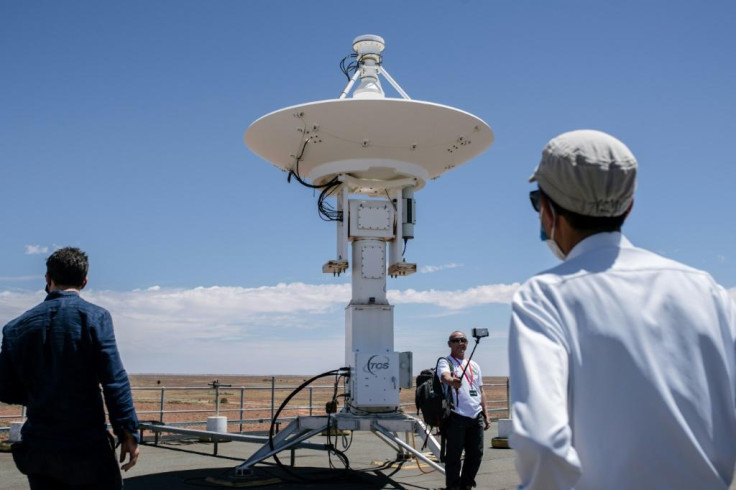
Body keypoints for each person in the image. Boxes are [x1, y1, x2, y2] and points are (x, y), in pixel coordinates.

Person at [508, 129, 736, 489]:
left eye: (538, 203)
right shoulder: (704, 289)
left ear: (548, 212)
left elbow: (542, 444)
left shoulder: (544, 297)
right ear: (629, 206)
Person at [0, 247, 140, 489]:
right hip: (87, 446)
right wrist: (127, 431)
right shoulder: (95, 317)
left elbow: (5, 388)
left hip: (39, 448)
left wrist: (41, 393)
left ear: (47, 279)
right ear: (84, 281)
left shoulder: (15, 327)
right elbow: (114, 380)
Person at [438, 330, 491, 490]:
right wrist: (451, 381)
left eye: (464, 340)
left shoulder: (474, 365)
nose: (461, 343)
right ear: (449, 344)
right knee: (453, 457)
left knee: (476, 455)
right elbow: (444, 376)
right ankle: (453, 487)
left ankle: (466, 484)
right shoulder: (446, 362)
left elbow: (481, 391)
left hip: (476, 416)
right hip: (456, 417)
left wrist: (486, 415)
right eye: (456, 340)